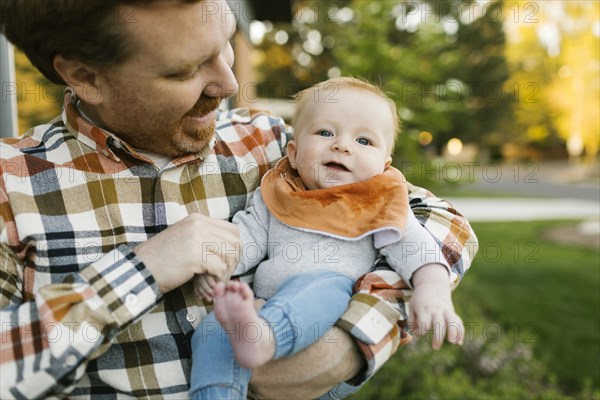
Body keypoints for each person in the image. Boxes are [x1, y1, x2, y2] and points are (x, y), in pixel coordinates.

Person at [0, 1, 478, 399]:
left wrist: (350, 343)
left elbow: (438, 220)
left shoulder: (268, 141)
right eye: (185, 69)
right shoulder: (11, 185)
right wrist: (141, 271)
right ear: (86, 76)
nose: (228, 83)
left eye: (225, 43)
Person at [188, 77, 467, 399]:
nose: (342, 145)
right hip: (264, 311)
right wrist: (217, 263)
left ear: (383, 165)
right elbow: (247, 238)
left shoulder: (378, 202)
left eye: (364, 141)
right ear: (293, 154)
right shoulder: (278, 194)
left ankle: (264, 337)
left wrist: (432, 289)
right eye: (325, 133)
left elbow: (415, 247)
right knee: (212, 332)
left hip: (327, 321)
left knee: (325, 283)